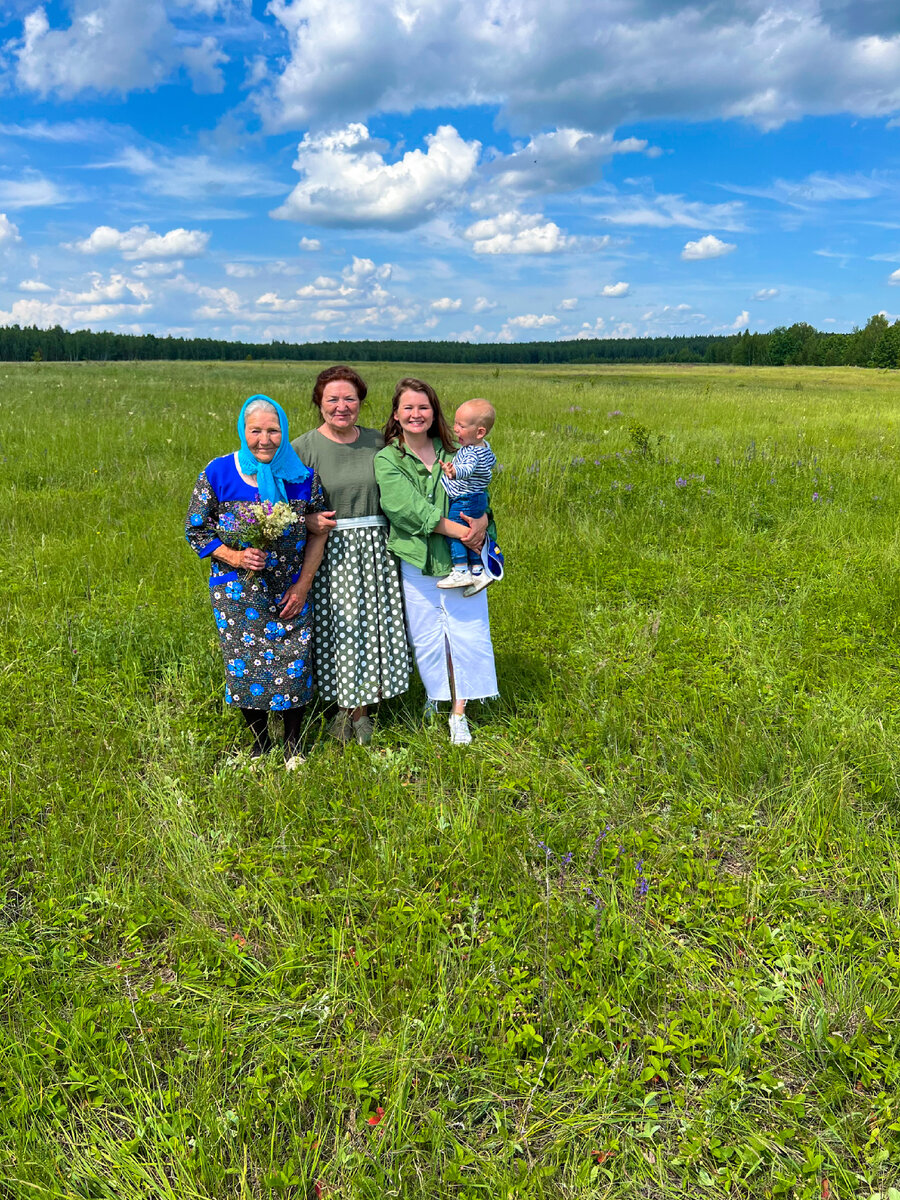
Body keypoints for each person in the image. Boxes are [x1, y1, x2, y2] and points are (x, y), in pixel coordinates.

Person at [185, 394, 328, 769]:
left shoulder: (302, 478)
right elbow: (196, 530)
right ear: (242, 431)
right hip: (237, 593)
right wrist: (233, 556)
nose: (264, 439)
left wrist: (303, 585)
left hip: (290, 590)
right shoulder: (218, 472)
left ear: (283, 431)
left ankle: (294, 746)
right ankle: (262, 743)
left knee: (294, 664)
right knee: (244, 667)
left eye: (273, 430)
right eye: (256, 431)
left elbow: (319, 531)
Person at [374, 378, 497, 746]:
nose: (416, 414)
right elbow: (405, 511)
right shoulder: (388, 458)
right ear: (396, 414)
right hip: (419, 559)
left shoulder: (455, 450)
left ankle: (459, 713)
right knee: (427, 635)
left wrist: (483, 521)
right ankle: (436, 696)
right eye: (408, 408)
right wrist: (463, 533)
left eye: (423, 407)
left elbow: (480, 493)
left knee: (468, 632)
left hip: (464, 562)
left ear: (434, 412)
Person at [292, 365, 410, 745]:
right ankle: (345, 711)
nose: (341, 407)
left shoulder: (379, 443)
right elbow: (282, 500)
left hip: (378, 548)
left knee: (373, 628)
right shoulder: (302, 448)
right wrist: (306, 518)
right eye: (332, 399)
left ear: (360, 403)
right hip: (330, 550)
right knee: (341, 629)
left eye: (350, 399)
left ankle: (363, 709)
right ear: (319, 403)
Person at [437, 398, 497, 594]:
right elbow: (491, 463)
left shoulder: (471, 451)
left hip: (465, 498)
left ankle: (461, 569)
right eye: (455, 423)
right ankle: (478, 572)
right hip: (477, 497)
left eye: (461, 426)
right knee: (470, 530)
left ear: (479, 432)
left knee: (456, 531)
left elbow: (468, 468)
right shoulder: (485, 448)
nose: (455, 429)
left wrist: (453, 472)